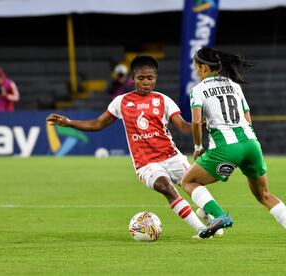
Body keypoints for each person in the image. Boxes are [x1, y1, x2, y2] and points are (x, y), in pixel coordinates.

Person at [47, 56, 208, 238]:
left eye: (150, 78)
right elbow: (97, 124)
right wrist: (69, 122)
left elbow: (184, 127)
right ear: (133, 78)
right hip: (145, 163)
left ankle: (208, 214)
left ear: (156, 78)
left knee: (195, 185)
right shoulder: (121, 102)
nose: (146, 82)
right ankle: (201, 229)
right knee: (166, 187)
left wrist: (203, 123)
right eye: (141, 78)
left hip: (172, 157)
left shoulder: (164, 100)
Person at [181, 47, 286, 243]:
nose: (196, 71)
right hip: (251, 144)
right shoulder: (234, 85)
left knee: (188, 182)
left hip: (226, 148)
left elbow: (197, 122)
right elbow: (247, 119)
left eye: (196, 68)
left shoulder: (198, 90)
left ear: (204, 67)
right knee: (264, 194)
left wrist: (198, 147)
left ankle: (218, 215)